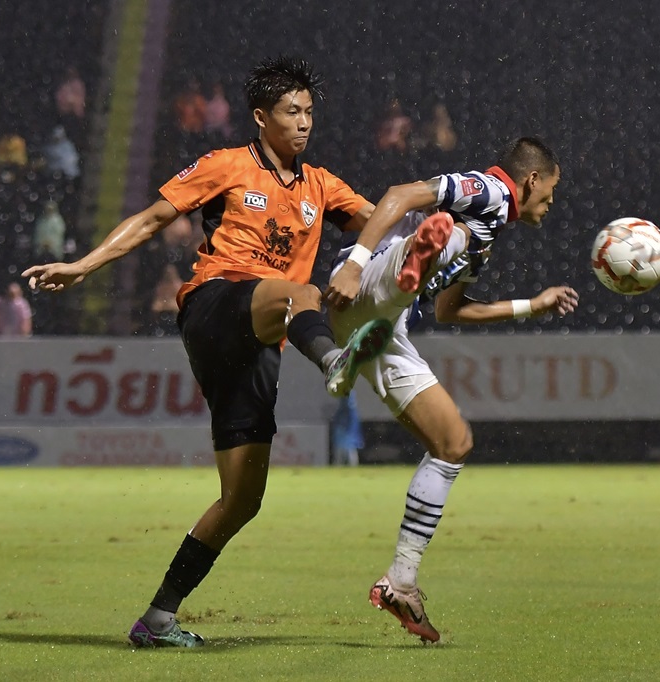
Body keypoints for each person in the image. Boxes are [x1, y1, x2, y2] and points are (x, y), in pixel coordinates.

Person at [23, 56, 393, 648]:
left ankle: (157, 619)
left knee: (242, 499)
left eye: (309, 113)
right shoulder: (226, 166)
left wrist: (444, 236)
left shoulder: (323, 185)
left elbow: (384, 223)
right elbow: (152, 217)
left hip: (264, 339)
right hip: (215, 305)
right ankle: (335, 362)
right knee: (303, 290)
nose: (303, 124)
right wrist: (83, 266)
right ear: (260, 117)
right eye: (291, 112)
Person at [327, 137, 579, 643]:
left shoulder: (486, 235)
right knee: (445, 237)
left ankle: (401, 579)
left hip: (382, 326)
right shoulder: (486, 190)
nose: (549, 207)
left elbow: (449, 310)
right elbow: (398, 195)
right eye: (549, 195)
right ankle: (419, 254)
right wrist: (355, 263)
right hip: (364, 282)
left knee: (453, 444)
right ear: (531, 180)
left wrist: (532, 304)